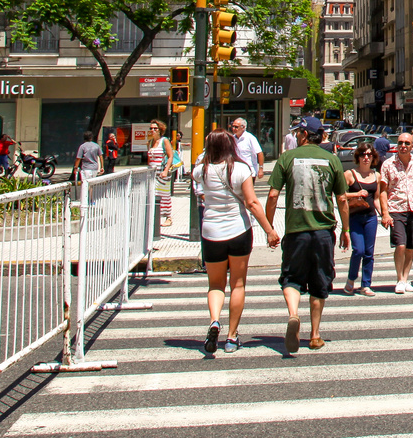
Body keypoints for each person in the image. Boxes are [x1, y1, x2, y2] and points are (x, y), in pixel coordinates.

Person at [265, 117, 348, 353]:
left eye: (297, 133)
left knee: (291, 278)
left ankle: (293, 315)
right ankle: (315, 335)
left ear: (303, 134)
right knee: (319, 281)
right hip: (323, 232)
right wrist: (346, 230)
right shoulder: (331, 160)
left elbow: (272, 196)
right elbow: (342, 199)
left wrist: (270, 228)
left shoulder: (287, 158)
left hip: (296, 231)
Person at [195, 129, 279, 355]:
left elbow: (201, 189)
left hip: (211, 232)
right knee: (238, 284)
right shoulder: (241, 169)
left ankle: (214, 321)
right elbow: (252, 203)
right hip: (239, 231)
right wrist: (269, 230)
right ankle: (232, 336)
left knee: (215, 285)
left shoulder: (201, 170)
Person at [378, 131, 413, 294]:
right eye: (400, 143)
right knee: (400, 245)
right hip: (396, 209)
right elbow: (383, 191)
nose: (403, 146)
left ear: (412, 146)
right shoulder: (388, 164)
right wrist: (385, 213)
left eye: (406, 143)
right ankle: (399, 279)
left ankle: (406, 278)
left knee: (410, 247)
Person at [343, 139, 383, 296]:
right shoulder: (350, 175)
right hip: (354, 217)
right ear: (358, 157)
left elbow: (377, 199)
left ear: (373, 157)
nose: (366, 158)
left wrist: (384, 215)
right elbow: (340, 195)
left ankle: (366, 284)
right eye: (363, 155)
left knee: (369, 252)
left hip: (370, 217)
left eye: (369, 155)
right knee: (358, 250)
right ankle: (351, 279)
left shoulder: (376, 176)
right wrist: (357, 194)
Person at [146, 122, 176, 227]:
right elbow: (149, 158)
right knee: (152, 194)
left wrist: (166, 170)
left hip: (162, 173)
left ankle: (168, 216)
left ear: (160, 130)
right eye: (151, 128)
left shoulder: (164, 141)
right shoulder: (149, 143)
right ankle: (155, 215)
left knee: (164, 195)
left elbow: (170, 156)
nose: (152, 130)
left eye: (155, 128)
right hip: (152, 173)